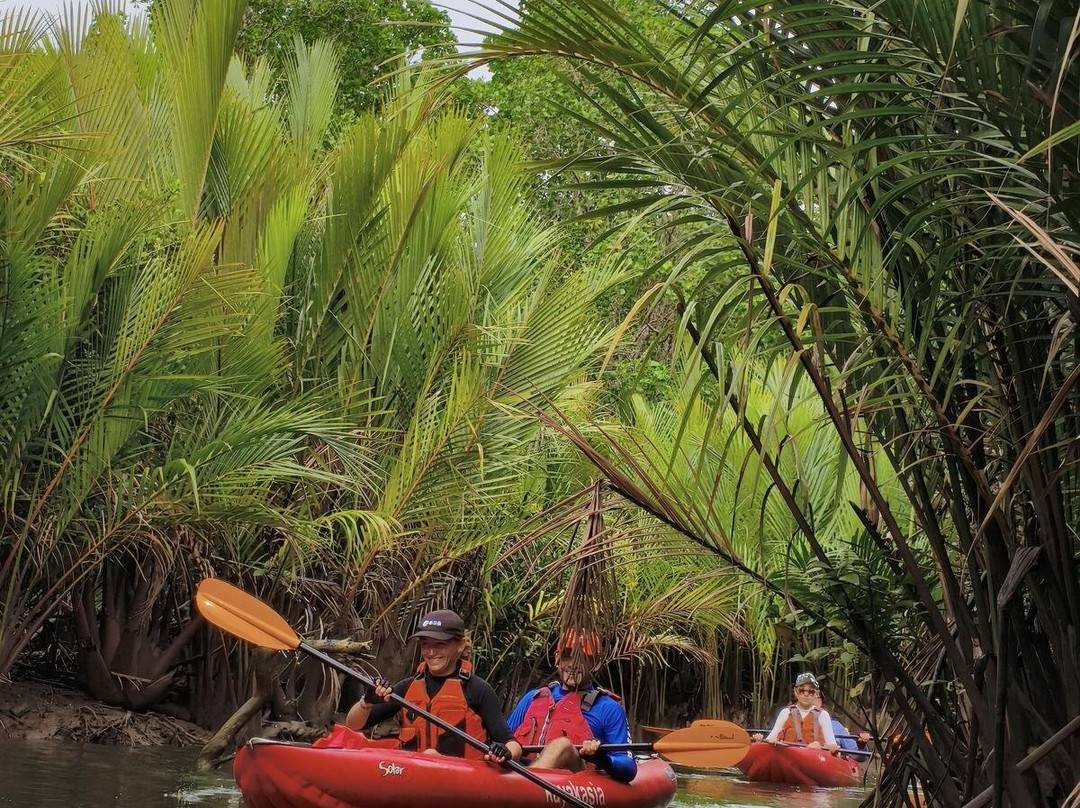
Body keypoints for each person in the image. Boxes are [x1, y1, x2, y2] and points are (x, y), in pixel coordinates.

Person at [346, 609, 522, 764]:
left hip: (462, 778)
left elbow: (511, 743)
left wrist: (505, 752)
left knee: (430, 754)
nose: (431, 653)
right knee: (426, 755)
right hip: (414, 774)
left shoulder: (478, 690)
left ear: (460, 646)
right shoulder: (406, 687)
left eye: (440, 645)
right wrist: (367, 702)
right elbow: (353, 726)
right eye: (425, 645)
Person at [507, 629, 637, 783]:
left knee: (563, 745)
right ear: (557, 659)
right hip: (520, 771)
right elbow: (504, 739)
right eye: (567, 656)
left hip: (573, 782)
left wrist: (602, 759)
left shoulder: (608, 708)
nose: (573, 664)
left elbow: (629, 767)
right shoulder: (532, 698)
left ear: (596, 663)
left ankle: (523, 788)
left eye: (582, 658)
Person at [751, 672, 839, 752]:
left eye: (811, 691)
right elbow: (771, 738)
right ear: (796, 692)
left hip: (814, 757)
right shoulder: (785, 712)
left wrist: (828, 748)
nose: (806, 694)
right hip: (788, 756)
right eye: (801, 690)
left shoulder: (823, 715)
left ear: (816, 693)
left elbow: (831, 744)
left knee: (815, 745)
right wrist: (760, 740)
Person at [816, 694, 872, 761]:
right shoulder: (799, 722)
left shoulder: (835, 726)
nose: (806, 696)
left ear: (819, 702)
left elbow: (858, 756)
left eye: (811, 693)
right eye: (802, 692)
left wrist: (861, 744)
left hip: (826, 764)